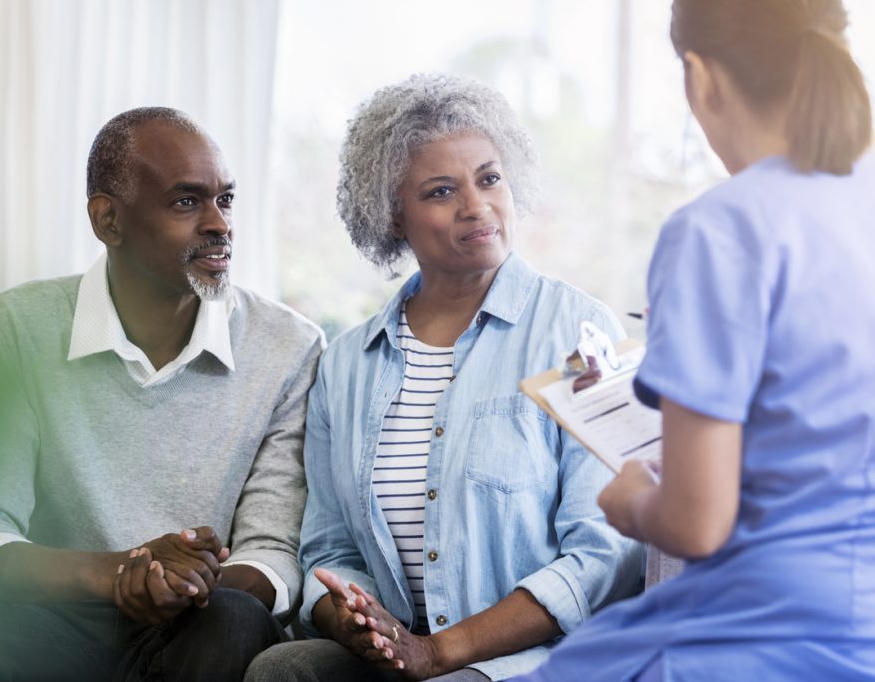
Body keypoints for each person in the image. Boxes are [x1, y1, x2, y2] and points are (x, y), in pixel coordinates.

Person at [510, 0, 875, 681]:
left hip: (785, 630)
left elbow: (696, 522)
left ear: (701, 78)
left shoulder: (718, 230)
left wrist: (632, 498)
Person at [245, 74, 643, 682]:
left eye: (489, 178)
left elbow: (604, 553)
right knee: (286, 669)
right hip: (396, 654)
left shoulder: (583, 332)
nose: (476, 206)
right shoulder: (346, 365)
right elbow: (330, 549)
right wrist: (350, 615)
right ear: (392, 214)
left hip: (533, 660)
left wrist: (440, 651)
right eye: (440, 191)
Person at [0, 107, 325, 680]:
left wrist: (178, 584)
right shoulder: (18, 327)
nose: (219, 224)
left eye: (225, 199)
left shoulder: (289, 346)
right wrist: (119, 573)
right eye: (186, 201)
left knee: (235, 618)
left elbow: (273, 553)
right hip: (57, 619)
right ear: (108, 221)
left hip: (199, 623)